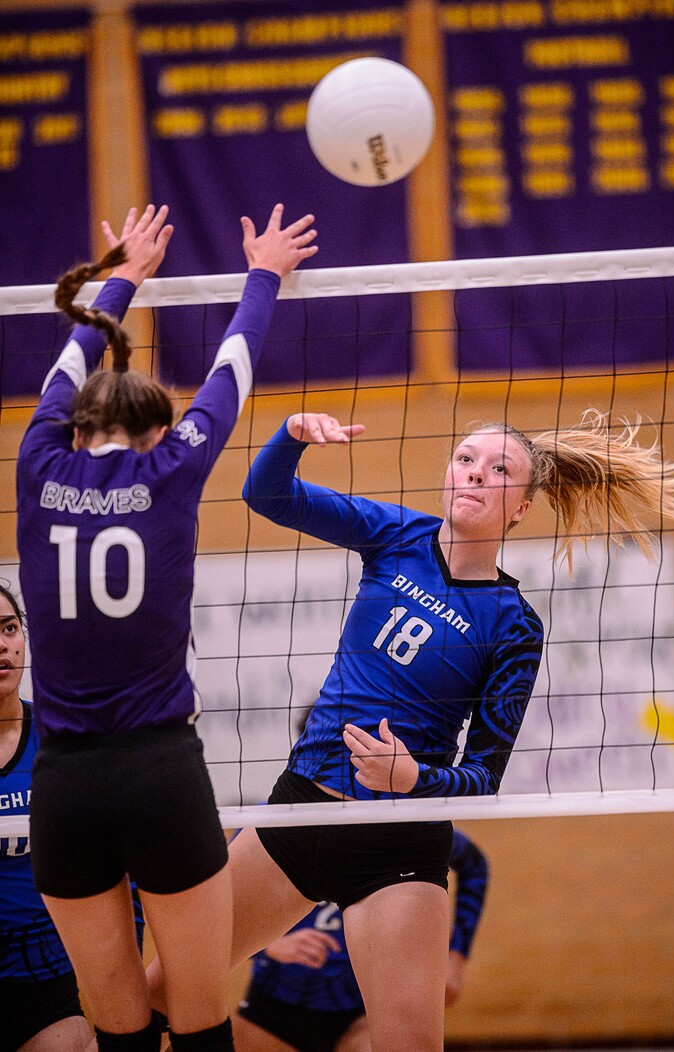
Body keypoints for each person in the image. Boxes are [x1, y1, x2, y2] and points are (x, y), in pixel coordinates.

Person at [220, 407, 674, 1052]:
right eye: (466, 458)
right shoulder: (397, 534)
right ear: (447, 475)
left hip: (400, 842)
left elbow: (482, 778)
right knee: (168, 990)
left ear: (521, 508)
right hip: (305, 809)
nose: (475, 474)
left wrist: (413, 776)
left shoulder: (513, 623)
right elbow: (266, 494)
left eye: (500, 469)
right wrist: (291, 438)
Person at [15, 202, 317, 1052]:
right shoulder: (172, 468)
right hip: (160, 775)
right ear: (156, 432)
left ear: (74, 429)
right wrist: (264, 272)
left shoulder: (37, 468)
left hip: (64, 785)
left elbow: (60, 375)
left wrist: (125, 277)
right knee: (199, 1020)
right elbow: (234, 365)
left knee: (115, 1029)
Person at [0, 583, 147, 1052]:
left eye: (8, 628)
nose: (1, 645)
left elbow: (126, 861)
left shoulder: (63, 738)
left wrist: (126, 972)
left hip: (42, 983)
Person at [232, 828, 488, 1052]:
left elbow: (474, 865)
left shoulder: (406, 822)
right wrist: (268, 945)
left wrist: (456, 958)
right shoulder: (277, 815)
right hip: (275, 1005)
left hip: (362, 1009)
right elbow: (229, 902)